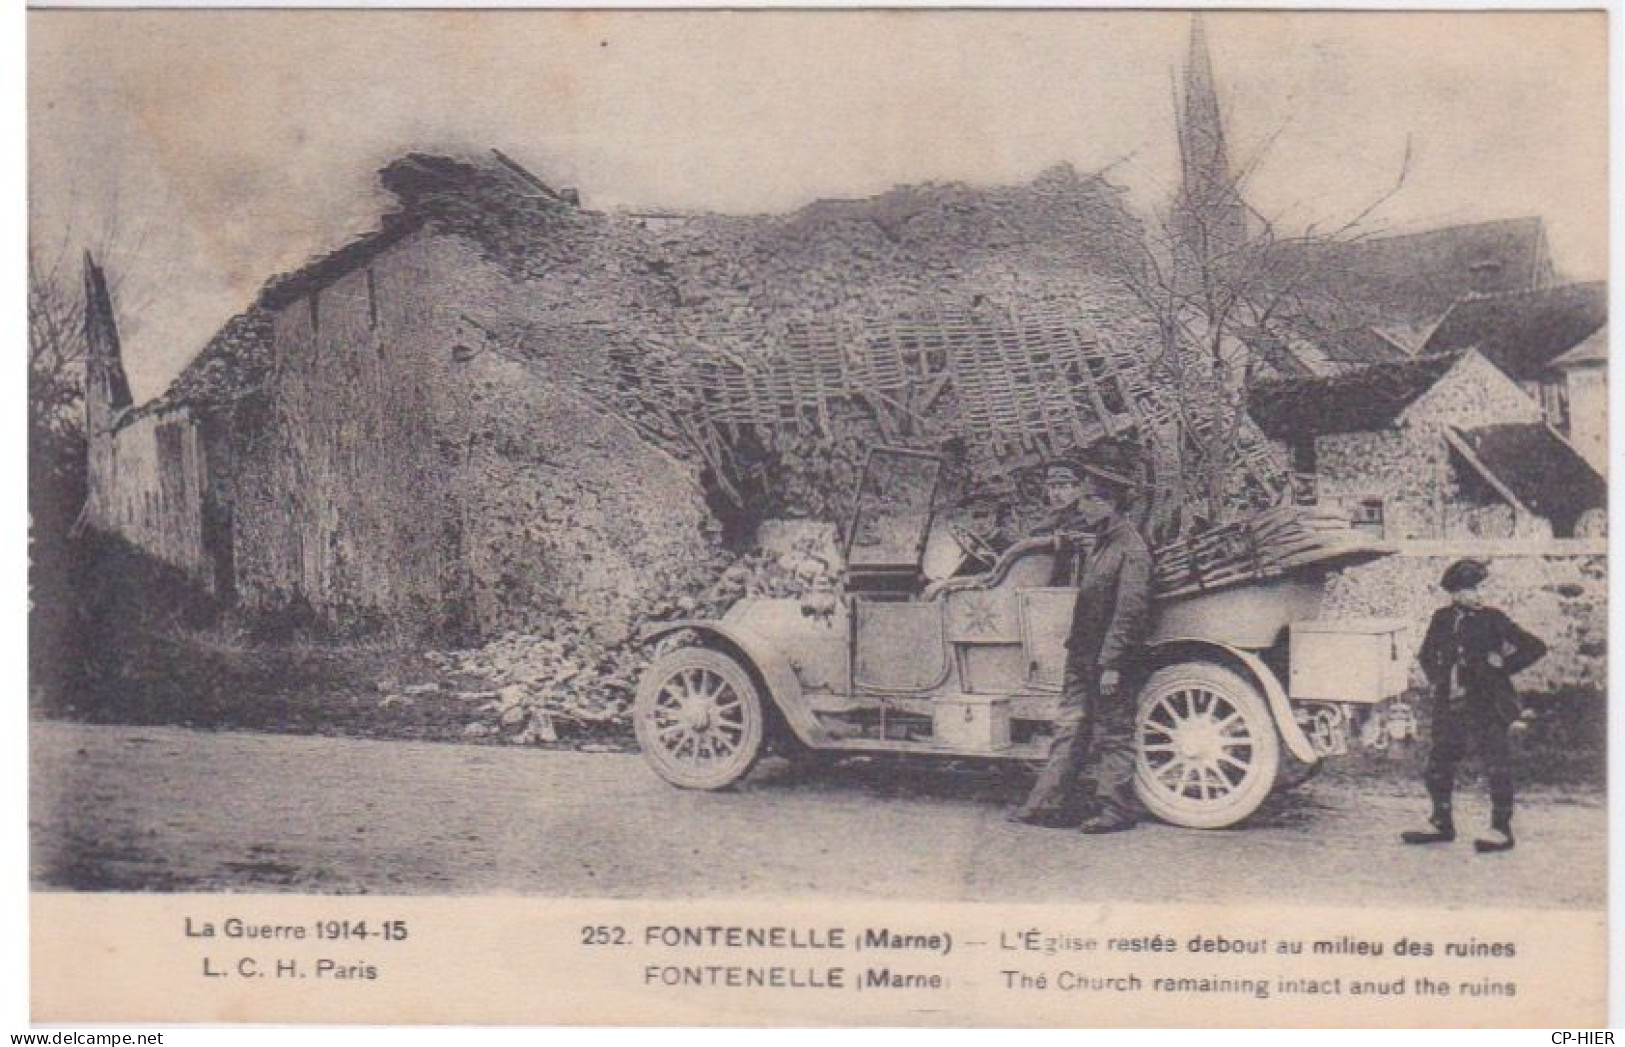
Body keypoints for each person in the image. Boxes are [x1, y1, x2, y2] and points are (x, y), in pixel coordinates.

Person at [1009, 458, 1154, 834]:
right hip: (1083, 656)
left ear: (1108, 504)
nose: (1081, 506)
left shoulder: (1131, 550)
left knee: (1114, 733)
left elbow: (1129, 612)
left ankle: (1116, 811)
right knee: (1070, 729)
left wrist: (1112, 664)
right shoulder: (1104, 544)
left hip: (1107, 660)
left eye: (1088, 500)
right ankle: (1045, 805)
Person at [1402, 558, 1546, 853]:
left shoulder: (1494, 618)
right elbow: (1426, 654)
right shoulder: (1441, 618)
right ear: (1455, 592)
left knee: (1496, 764)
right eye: (1472, 589)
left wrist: (1503, 665)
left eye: (1480, 588)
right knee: (1439, 763)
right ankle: (1441, 822)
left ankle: (1501, 829)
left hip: (1488, 702)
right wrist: (1440, 679)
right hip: (1450, 703)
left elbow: (1535, 646)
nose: (1478, 595)